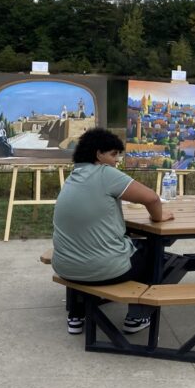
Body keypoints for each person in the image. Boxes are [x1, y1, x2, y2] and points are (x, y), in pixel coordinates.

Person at [51, 128, 174, 336]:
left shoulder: (74, 176)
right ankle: (137, 316)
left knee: (85, 246)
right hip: (103, 269)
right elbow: (152, 198)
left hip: (65, 266)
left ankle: (76, 314)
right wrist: (159, 217)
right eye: (113, 154)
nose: (117, 160)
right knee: (155, 253)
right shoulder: (104, 173)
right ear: (99, 154)